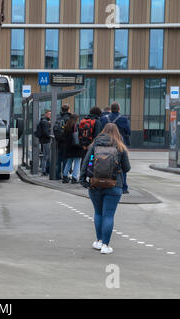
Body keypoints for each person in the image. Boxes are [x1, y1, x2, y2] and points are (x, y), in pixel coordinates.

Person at [79, 123, 131, 255]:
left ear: (103, 131)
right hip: (114, 185)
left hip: (95, 184)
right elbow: (127, 168)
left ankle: (99, 241)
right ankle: (106, 246)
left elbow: (86, 163)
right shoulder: (120, 147)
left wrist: (83, 180)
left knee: (98, 213)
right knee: (108, 215)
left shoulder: (94, 145)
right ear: (117, 133)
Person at [100, 102, 131, 194]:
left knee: (105, 164)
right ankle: (123, 187)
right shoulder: (124, 119)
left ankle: (105, 183)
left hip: (106, 145)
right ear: (119, 109)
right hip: (120, 145)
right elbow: (128, 132)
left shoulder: (103, 119)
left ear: (111, 109)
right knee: (121, 166)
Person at [62, 114, 84, 184]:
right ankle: (74, 177)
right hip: (76, 146)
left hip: (68, 147)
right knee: (77, 162)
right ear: (76, 119)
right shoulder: (75, 126)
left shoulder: (66, 126)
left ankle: (65, 176)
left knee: (69, 162)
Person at [53, 104, 72, 179]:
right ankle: (65, 175)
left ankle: (57, 175)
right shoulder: (68, 118)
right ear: (68, 110)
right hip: (66, 141)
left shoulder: (59, 118)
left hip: (59, 141)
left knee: (58, 159)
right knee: (65, 160)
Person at [35, 109, 52, 176]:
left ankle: (44, 170)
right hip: (46, 141)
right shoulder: (45, 122)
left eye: (50, 114)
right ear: (45, 114)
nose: (50, 116)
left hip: (43, 140)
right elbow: (46, 132)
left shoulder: (43, 121)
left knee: (45, 156)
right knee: (47, 156)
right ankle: (45, 170)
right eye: (49, 114)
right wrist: (50, 133)